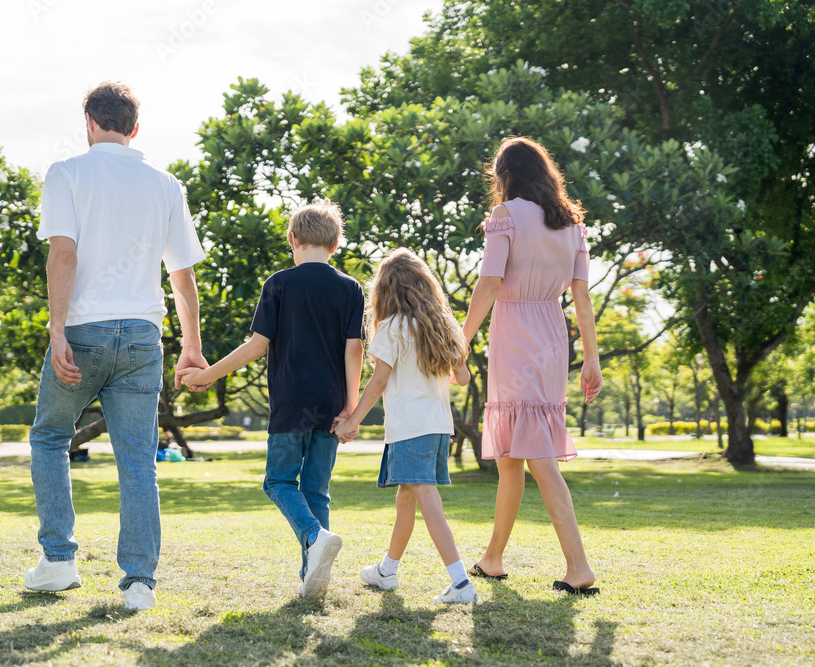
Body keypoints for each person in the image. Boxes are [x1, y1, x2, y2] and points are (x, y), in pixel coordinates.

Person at [25, 82, 210, 611]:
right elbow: (182, 274)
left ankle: (59, 561)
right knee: (137, 462)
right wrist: (191, 345)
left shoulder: (67, 173)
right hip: (142, 337)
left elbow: (63, 256)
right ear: (135, 127)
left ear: (88, 120)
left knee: (50, 438)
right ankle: (139, 584)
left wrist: (57, 330)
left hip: (83, 331)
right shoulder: (166, 183)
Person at [178, 200, 364, 599]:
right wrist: (351, 408)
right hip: (332, 405)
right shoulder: (351, 288)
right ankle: (311, 579)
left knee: (278, 480)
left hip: (291, 403)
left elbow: (257, 345)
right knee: (316, 491)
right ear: (335, 245)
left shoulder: (278, 284)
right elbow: (355, 351)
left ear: (293, 239)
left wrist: (209, 375)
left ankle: (314, 537)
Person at [461, 136, 602, 596]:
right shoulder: (573, 227)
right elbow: (581, 297)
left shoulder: (505, 217)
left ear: (506, 175)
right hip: (551, 336)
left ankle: (579, 567)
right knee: (510, 458)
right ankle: (493, 557)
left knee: (538, 459)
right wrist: (592, 359)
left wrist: (458, 341)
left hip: (516, 332)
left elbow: (489, 283)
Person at [333, 249, 479, 604]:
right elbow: (462, 378)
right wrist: (455, 355)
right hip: (438, 429)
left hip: (410, 428)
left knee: (427, 500)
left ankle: (460, 584)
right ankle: (387, 570)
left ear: (385, 291)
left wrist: (352, 421)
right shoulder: (443, 326)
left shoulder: (393, 328)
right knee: (406, 499)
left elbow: (379, 381)